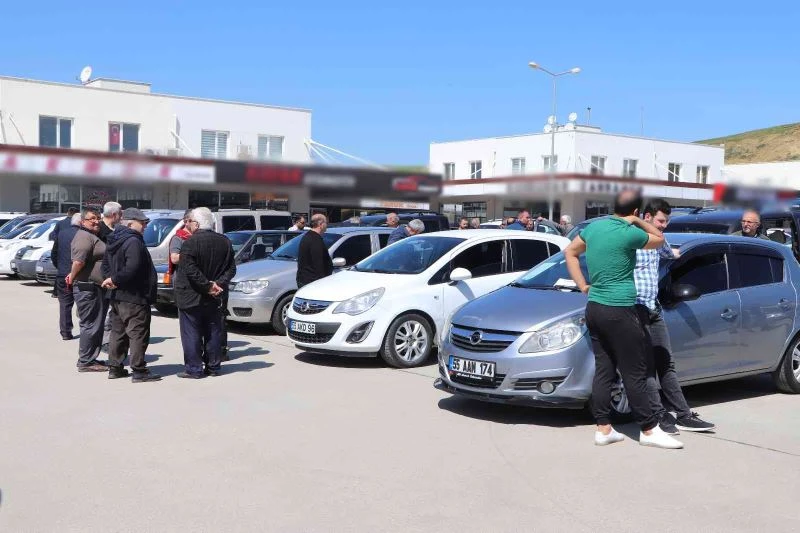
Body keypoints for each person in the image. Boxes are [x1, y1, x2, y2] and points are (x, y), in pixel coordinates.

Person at [565, 190, 683, 449]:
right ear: (637, 211)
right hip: (620, 309)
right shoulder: (628, 232)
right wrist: (638, 221)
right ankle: (649, 430)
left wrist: (583, 285)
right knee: (635, 371)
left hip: (595, 307)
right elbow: (659, 239)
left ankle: (603, 428)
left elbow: (570, 252)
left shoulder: (594, 228)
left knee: (604, 369)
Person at [635, 199, 715, 434]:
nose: (664, 226)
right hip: (635, 309)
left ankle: (683, 415)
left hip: (653, 308)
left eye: (666, 222)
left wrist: (679, 254)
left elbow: (670, 252)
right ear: (646, 217)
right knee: (647, 366)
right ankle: (658, 415)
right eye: (661, 221)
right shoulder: (631, 240)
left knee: (666, 362)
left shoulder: (660, 241)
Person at [174, 207, 237, 379]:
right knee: (213, 331)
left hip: (192, 295)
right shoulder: (225, 241)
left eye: (190, 222)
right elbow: (231, 269)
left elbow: (189, 269)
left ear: (196, 223)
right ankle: (213, 366)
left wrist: (209, 285)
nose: (189, 225)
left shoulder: (190, 243)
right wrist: (216, 284)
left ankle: (194, 369)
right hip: (214, 295)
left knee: (191, 333)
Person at [101, 208, 161, 383]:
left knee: (118, 332)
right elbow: (132, 267)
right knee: (137, 333)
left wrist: (111, 279)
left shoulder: (115, 238)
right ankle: (139, 370)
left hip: (118, 295)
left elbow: (105, 266)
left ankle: (115, 367)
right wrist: (114, 279)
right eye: (142, 223)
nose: (145, 226)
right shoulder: (133, 241)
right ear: (129, 223)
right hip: (134, 295)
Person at [68, 208, 108, 372]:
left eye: (98, 218)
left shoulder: (91, 236)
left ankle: (91, 357)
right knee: (91, 325)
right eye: (92, 218)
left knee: (95, 324)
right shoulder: (84, 237)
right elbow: (78, 262)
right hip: (88, 288)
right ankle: (86, 361)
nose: (96, 221)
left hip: (94, 287)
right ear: (82, 221)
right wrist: (72, 277)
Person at [52, 212, 81, 339]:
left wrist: (60, 267)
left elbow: (54, 253)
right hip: (79, 274)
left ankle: (65, 332)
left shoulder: (62, 233)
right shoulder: (84, 234)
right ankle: (86, 330)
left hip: (62, 274)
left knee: (65, 305)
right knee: (83, 304)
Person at [297, 214, 333, 288]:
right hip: (313, 282)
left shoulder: (307, 236)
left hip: (305, 280)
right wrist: (322, 282)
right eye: (326, 223)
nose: (327, 225)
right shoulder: (315, 240)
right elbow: (318, 263)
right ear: (320, 224)